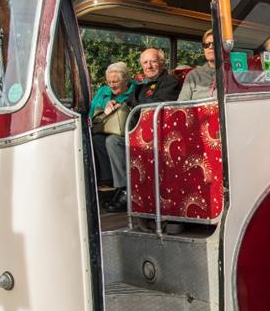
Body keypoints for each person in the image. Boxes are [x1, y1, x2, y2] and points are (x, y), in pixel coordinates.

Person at [104, 48, 180, 213]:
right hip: (136, 134)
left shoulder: (170, 82)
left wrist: (136, 105)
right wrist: (114, 104)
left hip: (157, 136)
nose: (149, 66)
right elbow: (128, 103)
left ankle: (127, 192)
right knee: (111, 141)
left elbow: (158, 104)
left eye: (153, 61)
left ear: (161, 62)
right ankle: (124, 187)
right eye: (145, 62)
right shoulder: (140, 86)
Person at [91, 62, 134, 192]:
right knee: (96, 139)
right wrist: (106, 104)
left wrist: (120, 104)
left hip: (126, 130)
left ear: (126, 79)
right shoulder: (103, 91)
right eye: (109, 82)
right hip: (102, 127)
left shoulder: (135, 90)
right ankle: (106, 180)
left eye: (115, 81)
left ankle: (121, 187)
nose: (111, 85)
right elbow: (92, 109)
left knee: (111, 141)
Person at [178, 29, 217, 101]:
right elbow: (181, 105)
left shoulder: (233, 73)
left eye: (214, 43)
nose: (210, 47)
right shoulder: (193, 75)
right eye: (206, 45)